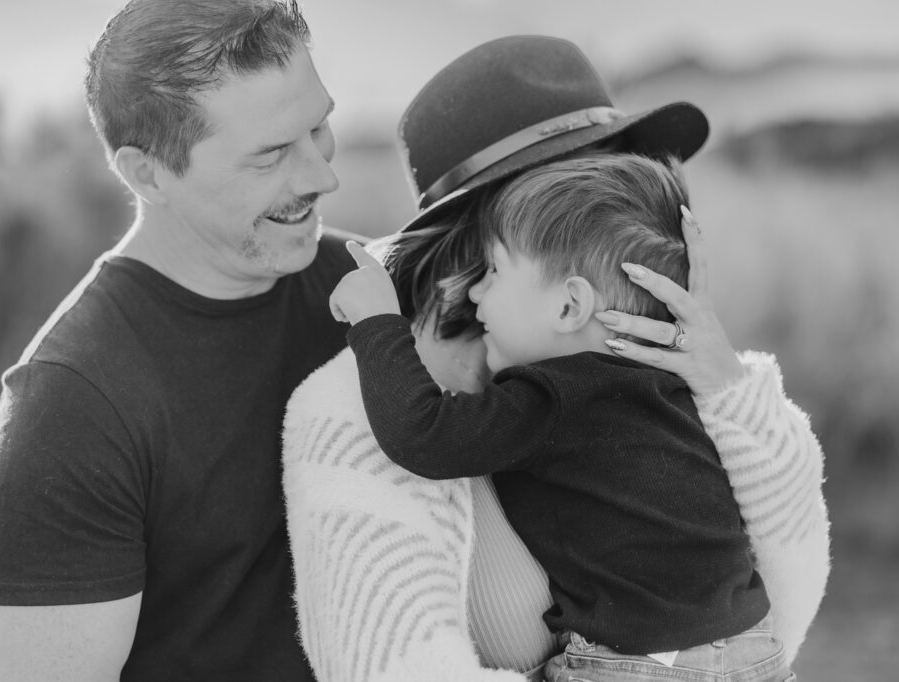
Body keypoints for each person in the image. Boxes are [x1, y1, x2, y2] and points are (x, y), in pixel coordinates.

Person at [282, 36, 829, 682]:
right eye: (595, 186)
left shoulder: (641, 362)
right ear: (500, 224)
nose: (624, 212)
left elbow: (790, 587)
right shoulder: (351, 413)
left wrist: (729, 387)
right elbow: (390, 666)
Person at [0, 1, 357, 679]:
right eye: (269, 156)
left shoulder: (366, 289)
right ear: (146, 173)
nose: (323, 176)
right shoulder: (70, 413)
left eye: (319, 127)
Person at [328, 151, 789, 682]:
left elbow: (423, 435)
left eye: (494, 271)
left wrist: (378, 322)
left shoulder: (555, 394)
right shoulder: (673, 388)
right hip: (755, 647)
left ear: (570, 307)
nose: (476, 292)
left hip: (642, 663)